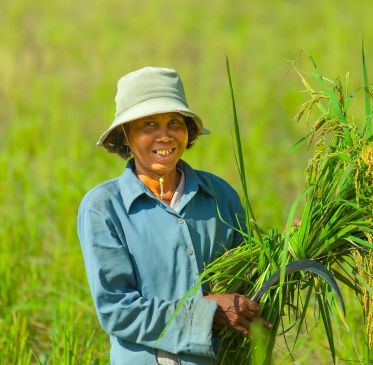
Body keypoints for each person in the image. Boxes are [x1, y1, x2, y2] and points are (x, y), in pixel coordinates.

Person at [77, 67, 271, 365]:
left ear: (187, 131)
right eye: (149, 125)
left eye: (174, 123)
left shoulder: (219, 195)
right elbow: (116, 310)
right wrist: (207, 313)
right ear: (126, 135)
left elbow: (248, 278)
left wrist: (286, 250)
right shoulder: (104, 207)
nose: (164, 136)